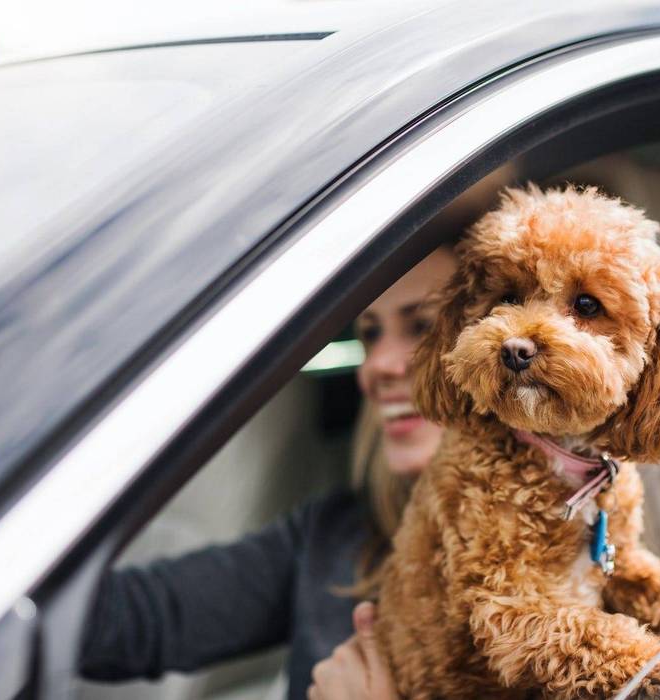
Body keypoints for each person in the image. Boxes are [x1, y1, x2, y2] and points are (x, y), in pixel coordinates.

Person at [79, 249, 456, 700]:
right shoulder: (335, 533)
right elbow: (142, 618)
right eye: (371, 334)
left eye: (422, 327)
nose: (376, 365)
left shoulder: (557, 580)